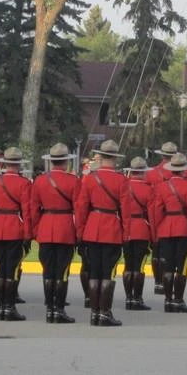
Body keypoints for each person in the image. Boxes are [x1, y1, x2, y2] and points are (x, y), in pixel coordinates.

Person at [75, 140, 126, 327]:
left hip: (92, 227)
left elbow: (81, 207)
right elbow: (126, 210)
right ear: (115, 159)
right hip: (111, 228)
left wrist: (80, 232)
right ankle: (105, 312)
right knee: (107, 273)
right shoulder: (121, 180)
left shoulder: (90, 178)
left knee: (94, 272)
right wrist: (126, 233)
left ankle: (94, 313)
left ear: (101, 157)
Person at [30, 143, 80, 324]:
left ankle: (50, 309)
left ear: (51, 161)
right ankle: (58, 310)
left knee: (48, 271)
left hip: (45, 227)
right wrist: (79, 232)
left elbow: (33, 209)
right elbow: (79, 210)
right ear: (66, 162)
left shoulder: (40, 181)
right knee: (62, 272)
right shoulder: (73, 181)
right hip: (65, 228)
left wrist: (36, 230)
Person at [0, 146, 32, 321]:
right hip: (14, 228)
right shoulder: (24, 183)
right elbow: (27, 211)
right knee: (11, 270)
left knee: (0, 269)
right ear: (19, 164)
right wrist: (28, 234)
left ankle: (1, 307)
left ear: (4, 164)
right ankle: (9, 308)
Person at [152, 152, 187, 313]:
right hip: (183, 227)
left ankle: (167, 300)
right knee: (182, 267)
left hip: (166, 227)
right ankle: (178, 300)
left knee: (168, 266)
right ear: (184, 169)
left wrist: (157, 230)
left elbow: (157, 211)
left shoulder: (162, 186)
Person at [145, 140, 179, 295]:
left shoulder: (151, 173)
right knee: (170, 252)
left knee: (156, 250)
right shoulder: (178, 172)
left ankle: (158, 282)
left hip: (152, 213)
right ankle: (168, 283)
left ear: (162, 155)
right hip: (173, 215)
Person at [120, 156, 154, 311]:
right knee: (139, 266)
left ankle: (128, 298)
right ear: (143, 172)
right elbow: (152, 214)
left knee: (128, 264)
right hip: (141, 228)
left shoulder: (124, 186)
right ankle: (137, 298)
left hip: (125, 228)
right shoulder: (148, 189)